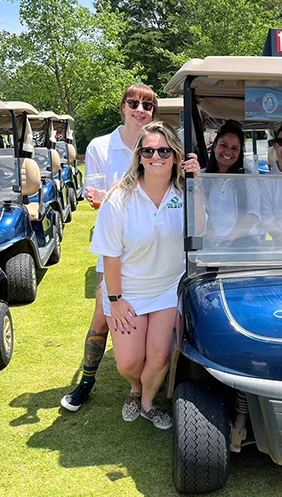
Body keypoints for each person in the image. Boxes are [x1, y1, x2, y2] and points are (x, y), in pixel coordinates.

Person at [90, 121, 203, 429]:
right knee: (128, 362)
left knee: (160, 355)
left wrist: (197, 183)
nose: (157, 156)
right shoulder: (119, 199)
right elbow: (109, 255)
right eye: (149, 150)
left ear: (176, 155)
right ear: (139, 155)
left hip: (168, 288)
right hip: (128, 290)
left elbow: (201, 229)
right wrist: (115, 299)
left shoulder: (184, 192)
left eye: (164, 150)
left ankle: (148, 402)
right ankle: (135, 387)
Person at [60, 83, 157, 412]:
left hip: (152, 247)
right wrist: (102, 200)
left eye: (147, 105)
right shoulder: (101, 146)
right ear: (123, 107)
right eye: (134, 103)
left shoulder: (157, 145)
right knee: (102, 316)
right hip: (116, 247)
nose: (140, 109)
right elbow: (95, 197)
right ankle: (86, 381)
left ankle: (151, 381)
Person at [202, 120, 263, 247]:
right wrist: (213, 239)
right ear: (214, 147)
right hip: (208, 242)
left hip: (243, 242)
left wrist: (228, 240)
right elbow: (197, 214)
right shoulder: (200, 177)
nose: (228, 151)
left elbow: (253, 214)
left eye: (234, 148)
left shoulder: (248, 178)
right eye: (224, 145)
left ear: (240, 152)